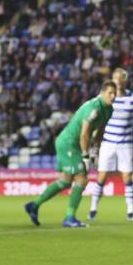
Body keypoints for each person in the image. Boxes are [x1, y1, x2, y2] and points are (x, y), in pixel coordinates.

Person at [25, 81, 117, 228]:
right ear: (102, 93)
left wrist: (95, 151)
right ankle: (69, 218)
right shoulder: (94, 108)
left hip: (73, 143)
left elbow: (99, 132)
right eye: (109, 93)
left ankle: (34, 205)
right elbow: (84, 134)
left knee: (65, 181)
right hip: (69, 143)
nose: (112, 96)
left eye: (114, 94)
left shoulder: (109, 110)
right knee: (81, 178)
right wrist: (87, 156)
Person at [89, 68, 133, 222]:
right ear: (112, 79)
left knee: (127, 177)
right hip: (108, 143)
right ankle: (93, 208)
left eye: (122, 77)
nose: (119, 80)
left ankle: (130, 211)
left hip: (126, 144)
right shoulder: (105, 97)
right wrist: (95, 138)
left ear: (126, 80)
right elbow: (97, 117)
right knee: (102, 176)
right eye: (116, 77)